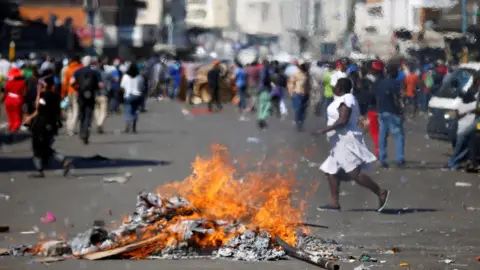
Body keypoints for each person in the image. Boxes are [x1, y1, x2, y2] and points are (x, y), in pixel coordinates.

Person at [315, 78, 390, 212]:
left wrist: (325, 130)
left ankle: (380, 192)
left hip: (345, 140)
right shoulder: (341, 99)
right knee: (331, 171)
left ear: (341, 88)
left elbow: (343, 120)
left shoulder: (347, 98)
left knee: (354, 173)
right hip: (337, 142)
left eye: (336, 86)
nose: (334, 88)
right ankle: (334, 203)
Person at [24, 72, 71, 178]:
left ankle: (40, 170)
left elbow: (38, 108)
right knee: (45, 148)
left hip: (41, 125)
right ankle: (63, 161)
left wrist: (38, 93)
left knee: (37, 148)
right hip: (51, 124)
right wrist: (30, 117)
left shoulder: (44, 97)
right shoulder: (56, 96)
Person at [375, 65, 405, 168]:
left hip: (382, 111)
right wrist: (400, 112)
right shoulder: (395, 83)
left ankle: (382, 159)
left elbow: (377, 98)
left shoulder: (380, 83)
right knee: (399, 135)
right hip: (392, 111)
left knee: (382, 135)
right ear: (394, 73)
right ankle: (399, 158)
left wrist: (379, 110)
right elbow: (396, 98)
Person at [70, 56, 103, 144]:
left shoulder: (77, 71)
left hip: (81, 95)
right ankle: (86, 132)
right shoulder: (95, 72)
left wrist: (77, 88)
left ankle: (81, 132)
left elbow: (71, 82)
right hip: (91, 95)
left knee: (81, 114)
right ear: (91, 63)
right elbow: (100, 85)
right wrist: (95, 88)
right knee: (88, 115)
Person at [3, 67, 26, 142]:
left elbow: (5, 92)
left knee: (10, 117)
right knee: (17, 117)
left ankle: (11, 130)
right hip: (17, 100)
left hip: (8, 100)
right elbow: (24, 93)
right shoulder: (22, 82)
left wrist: (3, 99)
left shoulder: (8, 83)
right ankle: (13, 132)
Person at [120, 62, 144, 133]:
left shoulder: (125, 76)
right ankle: (134, 125)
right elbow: (141, 87)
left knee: (127, 110)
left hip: (128, 95)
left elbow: (122, 87)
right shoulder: (139, 77)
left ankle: (127, 123)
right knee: (135, 110)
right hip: (137, 96)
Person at [63, 55, 83, 136]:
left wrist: (63, 93)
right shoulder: (80, 69)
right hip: (77, 92)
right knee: (76, 110)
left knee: (69, 110)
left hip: (69, 91)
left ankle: (68, 127)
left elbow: (65, 83)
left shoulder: (68, 69)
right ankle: (71, 128)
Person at [288, 60, 311, 131]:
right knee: (298, 110)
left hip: (306, 94)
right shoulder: (295, 73)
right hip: (298, 94)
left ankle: (301, 122)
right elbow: (291, 83)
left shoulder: (307, 73)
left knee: (304, 110)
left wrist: (310, 92)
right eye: (302, 65)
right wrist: (291, 93)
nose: (304, 66)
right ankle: (298, 124)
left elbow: (308, 83)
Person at [92, 58, 108, 134]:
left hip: (94, 94)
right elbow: (108, 85)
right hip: (103, 94)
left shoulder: (92, 73)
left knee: (97, 110)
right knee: (104, 112)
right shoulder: (105, 73)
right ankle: (99, 124)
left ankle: (99, 125)